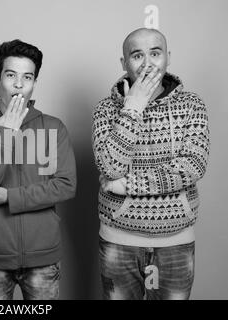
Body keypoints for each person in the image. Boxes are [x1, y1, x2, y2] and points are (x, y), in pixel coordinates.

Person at [92, 28, 210, 300]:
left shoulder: (192, 105)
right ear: (124, 63)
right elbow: (110, 168)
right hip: (118, 240)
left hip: (176, 242)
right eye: (137, 55)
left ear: (167, 57)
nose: (147, 63)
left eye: (155, 53)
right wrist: (133, 106)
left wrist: (129, 185)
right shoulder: (105, 109)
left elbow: (192, 166)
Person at [0, 39, 76, 300]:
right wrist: (5, 134)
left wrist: (11, 198)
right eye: (11, 75)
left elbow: (66, 185)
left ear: (35, 82)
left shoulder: (54, 127)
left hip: (43, 256)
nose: (19, 84)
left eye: (28, 77)